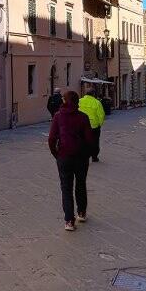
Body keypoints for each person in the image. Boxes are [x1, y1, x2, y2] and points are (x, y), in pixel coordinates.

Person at [48, 90, 95, 231]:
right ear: (77, 102)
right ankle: (81, 212)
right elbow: (90, 139)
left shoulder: (58, 117)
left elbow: (51, 138)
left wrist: (56, 154)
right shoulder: (83, 117)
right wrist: (87, 154)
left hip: (64, 156)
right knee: (80, 184)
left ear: (64, 101)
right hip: (80, 157)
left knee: (66, 187)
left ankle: (69, 220)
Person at [78, 87, 106, 162]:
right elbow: (101, 115)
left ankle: (82, 154)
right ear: (93, 94)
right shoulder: (97, 102)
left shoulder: (79, 101)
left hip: (81, 125)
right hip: (94, 125)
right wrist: (100, 124)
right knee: (95, 141)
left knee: (82, 140)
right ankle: (94, 156)